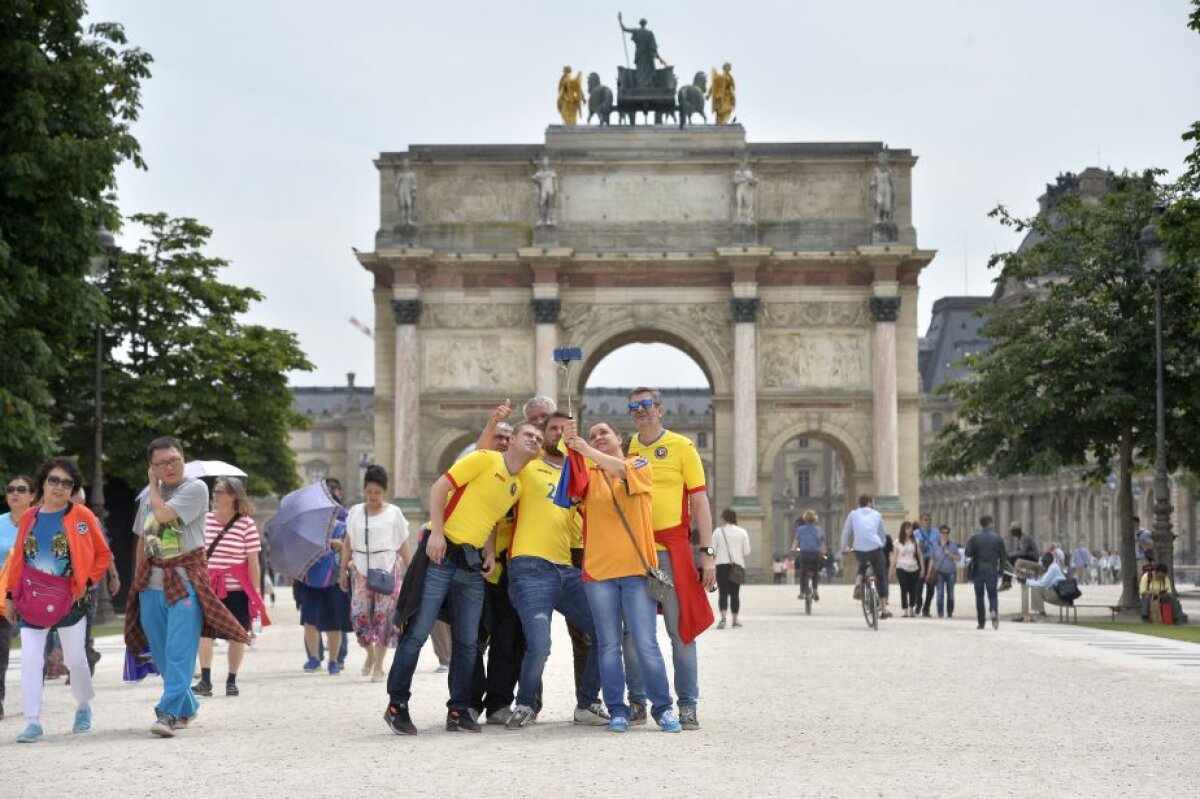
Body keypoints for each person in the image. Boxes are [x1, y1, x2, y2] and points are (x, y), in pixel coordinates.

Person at [383, 421, 543, 736]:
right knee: (417, 632)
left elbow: (493, 517)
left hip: (471, 563)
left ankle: (458, 709)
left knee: (468, 643)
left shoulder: (518, 486)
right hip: (443, 552)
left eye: (539, 438)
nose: (536, 440)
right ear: (511, 440)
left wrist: (488, 550)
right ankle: (396, 705)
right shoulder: (485, 458)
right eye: (529, 434)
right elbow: (440, 487)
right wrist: (437, 533)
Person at [125, 437, 249, 738]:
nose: (169, 466)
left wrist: (152, 487)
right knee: (163, 653)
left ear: (183, 458)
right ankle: (187, 706)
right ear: (151, 467)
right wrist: (137, 582)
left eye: (174, 460)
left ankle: (167, 713)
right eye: (161, 463)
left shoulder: (195, 488)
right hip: (152, 581)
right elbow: (143, 538)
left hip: (184, 580)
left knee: (180, 651)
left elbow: (165, 515)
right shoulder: (147, 498)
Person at [565, 420, 682, 733]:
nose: (597, 438)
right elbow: (570, 491)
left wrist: (586, 449)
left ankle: (663, 708)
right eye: (592, 435)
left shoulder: (639, 463)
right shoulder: (588, 474)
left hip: (634, 570)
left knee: (646, 643)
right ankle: (617, 709)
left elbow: (619, 471)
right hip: (598, 572)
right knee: (608, 644)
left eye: (603, 433)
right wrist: (571, 447)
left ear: (619, 438)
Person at [503, 413, 604, 729]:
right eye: (553, 429)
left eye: (565, 429)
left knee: (607, 632)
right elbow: (494, 459)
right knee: (540, 644)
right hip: (530, 568)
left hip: (566, 568)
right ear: (544, 436)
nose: (559, 434)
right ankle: (525, 704)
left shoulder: (578, 473)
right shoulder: (527, 465)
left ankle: (587, 704)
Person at [624, 386, 715, 731]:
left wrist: (706, 553)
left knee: (681, 633)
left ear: (661, 410)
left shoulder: (682, 446)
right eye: (634, 406)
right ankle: (637, 702)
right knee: (632, 634)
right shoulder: (626, 448)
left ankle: (687, 704)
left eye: (647, 404)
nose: (640, 410)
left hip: (671, 550)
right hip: (635, 552)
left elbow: (700, 501)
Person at [0, 459, 111, 743]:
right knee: (30, 658)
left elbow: (103, 554)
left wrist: (86, 583)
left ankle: (83, 706)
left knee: (75, 659)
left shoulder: (82, 516)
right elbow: (19, 561)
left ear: (73, 489)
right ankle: (32, 720)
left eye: (66, 483)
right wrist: (10, 596)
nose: (59, 487)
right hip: (32, 596)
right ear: (43, 483)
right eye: (54, 480)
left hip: (70, 599)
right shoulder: (29, 517)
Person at [193, 477, 267, 698]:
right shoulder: (204, 520)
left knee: (237, 635)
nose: (214, 495)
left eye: (219, 492)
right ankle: (205, 680)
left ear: (233, 496)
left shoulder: (247, 524)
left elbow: (253, 561)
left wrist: (256, 592)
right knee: (204, 633)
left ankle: (231, 680)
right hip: (209, 587)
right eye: (214, 491)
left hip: (236, 590)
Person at [340, 465, 410, 683]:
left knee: (384, 618)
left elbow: (403, 543)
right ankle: (369, 653)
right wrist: (342, 569)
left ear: (384, 491)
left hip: (387, 568)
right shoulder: (355, 512)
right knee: (358, 617)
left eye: (377, 492)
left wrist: (412, 570)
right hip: (360, 568)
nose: (373, 496)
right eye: (369, 492)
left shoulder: (394, 513)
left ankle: (379, 666)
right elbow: (348, 542)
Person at [0, 474, 36, 721]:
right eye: (11, 489)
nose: (15, 493)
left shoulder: (40, 523)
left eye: (21, 489)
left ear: (32, 495)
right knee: (1, 649)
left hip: (35, 595)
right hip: (3, 597)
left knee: (35, 650)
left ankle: (34, 699)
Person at [840, 494, 892, 619]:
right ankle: (884, 608)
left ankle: (858, 584)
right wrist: (882, 544)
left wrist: (844, 549)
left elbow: (846, 532)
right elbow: (882, 534)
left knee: (862, 564)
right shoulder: (877, 515)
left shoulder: (853, 514)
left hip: (859, 549)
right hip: (875, 548)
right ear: (870, 502)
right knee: (881, 576)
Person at [965, 515, 1008, 631]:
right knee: (993, 594)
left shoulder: (974, 537)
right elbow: (1003, 556)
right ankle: (993, 610)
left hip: (978, 570)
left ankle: (981, 622)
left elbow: (967, 553)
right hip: (991, 570)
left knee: (979, 597)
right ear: (990, 524)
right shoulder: (998, 538)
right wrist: (1001, 570)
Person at [713, 508, 750, 629]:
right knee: (735, 593)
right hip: (737, 566)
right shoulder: (742, 532)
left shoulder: (718, 532)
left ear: (724, 518)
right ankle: (735, 619)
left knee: (722, 592)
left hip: (721, 564)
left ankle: (723, 618)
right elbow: (746, 551)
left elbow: (713, 550)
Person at [927, 525, 962, 618]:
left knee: (950, 593)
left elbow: (959, 558)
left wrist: (950, 554)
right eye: (943, 532)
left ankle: (950, 611)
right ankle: (940, 612)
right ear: (939, 533)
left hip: (950, 572)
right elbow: (932, 559)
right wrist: (929, 572)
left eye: (946, 533)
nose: (944, 535)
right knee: (940, 592)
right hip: (939, 572)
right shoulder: (935, 545)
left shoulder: (952, 545)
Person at [891, 521, 924, 618]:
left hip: (913, 567)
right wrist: (891, 569)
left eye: (910, 528)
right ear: (903, 530)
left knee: (913, 589)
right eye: (907, 528)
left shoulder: (916, 541)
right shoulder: (897, 542)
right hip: (901, 566)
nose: (909, 530)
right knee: (904, 588)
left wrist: (922, 567)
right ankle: (905, 610)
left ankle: (911, 608)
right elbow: (894, 556)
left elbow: (919, 554)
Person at [793, 510, 826, 601]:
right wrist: (823, 554)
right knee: (815, 573)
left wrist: (794, 549)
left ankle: (802, 592)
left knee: (803, 573)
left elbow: (796, 543)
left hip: (804, 554)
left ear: (805, 519)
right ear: (815, 519)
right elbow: (823, 545)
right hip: (815, 554)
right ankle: (815, 590)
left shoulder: (800, 529)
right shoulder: (819, 530)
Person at [1024, 554, 1069, 618]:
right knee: (1036, 587)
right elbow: (1042, 582)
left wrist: (1026, 581)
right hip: (1059, 594)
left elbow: (1043, 583)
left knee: (1035, 588)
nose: (1043, 564)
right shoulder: (1051, 568)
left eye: (1044, 562)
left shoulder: (1053, 567)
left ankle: (1041, 613)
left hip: (1060, 596)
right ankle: (1041, 612)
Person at [913, 512, 937, 616]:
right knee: (919, 586)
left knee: (931, 586)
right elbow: (916, 549)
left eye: (929, 520)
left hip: (932, 560)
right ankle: (918, 604)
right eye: (925, 520)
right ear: (921, 521)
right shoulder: (916, 533)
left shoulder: (935, 532)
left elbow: (936, 547)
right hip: (919, 561)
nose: (927, 522)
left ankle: (926, 608)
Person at [1003, 522, 1038, 590]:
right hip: (1028, 557)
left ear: (1016, 530)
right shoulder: (1020, 538)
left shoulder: (1023, 538)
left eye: (1012, 531)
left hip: (1032, 558)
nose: (1011, 532)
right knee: (1009, 559)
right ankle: (1007, 581)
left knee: (1009, 559)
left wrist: (1010, 554)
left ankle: (1007, 581)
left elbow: (1023, 552)